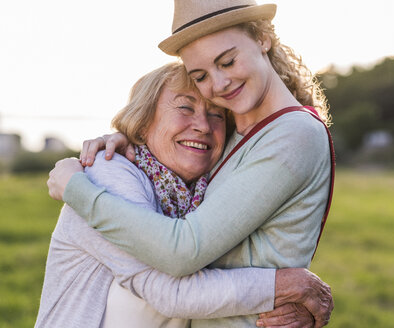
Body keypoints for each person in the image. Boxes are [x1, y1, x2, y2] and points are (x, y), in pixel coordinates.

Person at [48, 0, 335, 327]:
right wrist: (126, 139)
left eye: (227, 61)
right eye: (200, 76)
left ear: (262, 38)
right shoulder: (237, 135)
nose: (219, 84)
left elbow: (183, 251)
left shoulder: (292, 133)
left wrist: (76, 188)